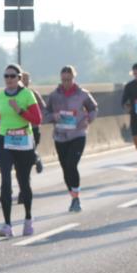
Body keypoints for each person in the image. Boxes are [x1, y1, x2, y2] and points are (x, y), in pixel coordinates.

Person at [0, 64, 42, 237]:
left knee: (23, 182)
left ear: (19, 78)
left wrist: (19, 110)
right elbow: (1, 115)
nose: (9, 79)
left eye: (12, 76)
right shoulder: (0, 96)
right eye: (6, 76)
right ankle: (7, 225)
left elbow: (37, 119)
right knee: (5, 182)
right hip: (5, 140)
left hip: (24, 141)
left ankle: (28, 219)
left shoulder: (27, 95)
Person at [44, 66, 98, 212]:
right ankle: (73, 196)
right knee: (65, 168)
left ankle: (76, 198)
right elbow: (45, 113)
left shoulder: (83, 94)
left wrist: (88, 119)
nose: (66, 82)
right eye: (63, 80)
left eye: (68, 79)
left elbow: (93, 108)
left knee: (71, 164)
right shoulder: (54, 95)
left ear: (74, 78)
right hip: (60, 136)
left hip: (78, 134)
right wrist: (53, 116)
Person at [21, 71, 47, 174]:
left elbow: (43, 108)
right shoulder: (11, 95)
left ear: (29, 81)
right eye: (22, 79)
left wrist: (35, 116)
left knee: (30, 149)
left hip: (33, 128)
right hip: (19, 128)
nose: (24, 82)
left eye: (26, 79)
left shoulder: (33, 94)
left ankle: (36, 159)